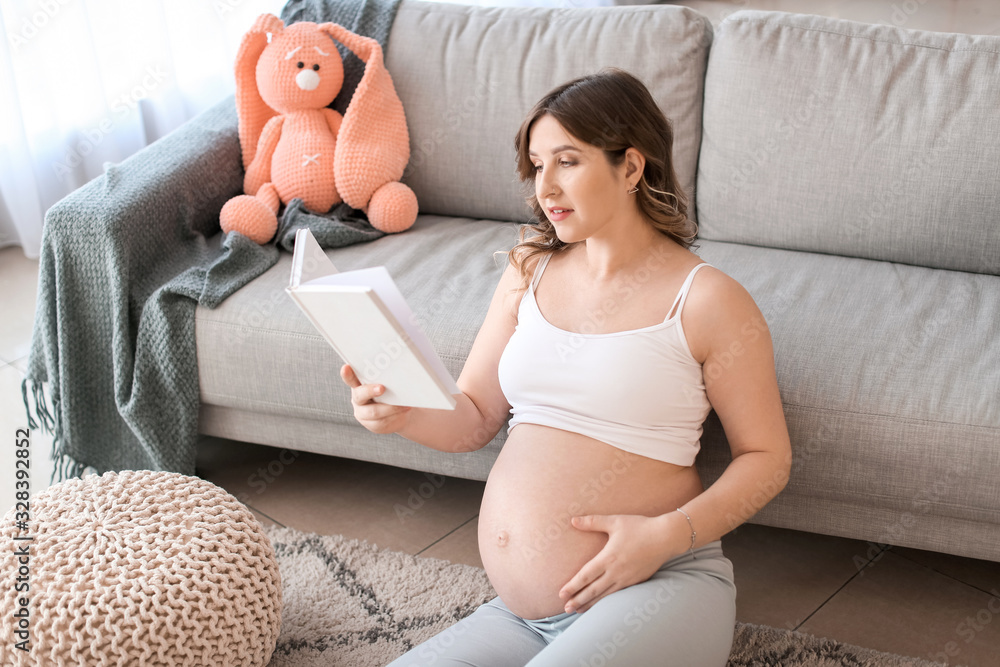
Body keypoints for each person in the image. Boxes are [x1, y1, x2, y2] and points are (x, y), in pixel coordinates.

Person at [340, 68, 792, 667]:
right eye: (536, 164)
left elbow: (767, 459)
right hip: (522, 619)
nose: (544, 187)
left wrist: (666, 535)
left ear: (631, 167)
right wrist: (401, 412)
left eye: (568, 161)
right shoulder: (529, 267)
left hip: (657, 586)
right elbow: (473, 418)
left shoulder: (708, 300)